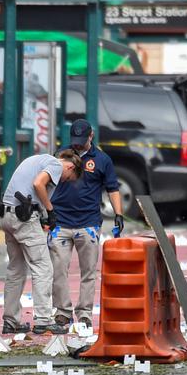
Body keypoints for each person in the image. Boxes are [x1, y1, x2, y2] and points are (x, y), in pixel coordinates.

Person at [50, 119, 123, 328]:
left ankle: (84, 314)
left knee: (88, 272)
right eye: (75, 140)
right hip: (60, 222)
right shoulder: (60, 155)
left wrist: (118, 214)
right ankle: (62, 312)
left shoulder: (102, 160)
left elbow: (113, 188)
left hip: (89, 223)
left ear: (91, 136)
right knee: (58, 270)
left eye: (82, 140)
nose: (78, 144)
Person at [0, 150, 82, 335]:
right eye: (68, 178)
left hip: (6, 214)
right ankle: (43, 321)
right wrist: (50, 210)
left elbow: (31, 189)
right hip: (22, 217)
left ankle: (10, 321)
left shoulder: (36, 158)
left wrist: (43, 216)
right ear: (70, 166)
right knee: (43, 267)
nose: (64, 181)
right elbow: (38, 184)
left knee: (16, 270)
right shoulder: (54, 164)